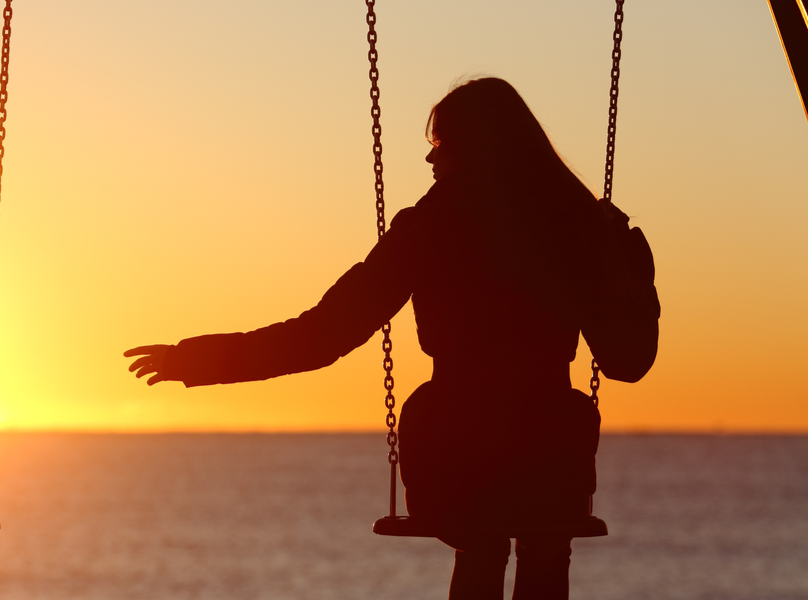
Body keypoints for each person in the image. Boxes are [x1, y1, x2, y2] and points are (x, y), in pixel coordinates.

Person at [124, 77, 658, 600]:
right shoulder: (581, 226)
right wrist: (635, 279)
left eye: (440, 145)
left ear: (472, 147)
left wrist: (199, 360)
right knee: (546, 538)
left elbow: (322, 334)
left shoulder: (428, 227)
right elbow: (627, 362)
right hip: (546, 454)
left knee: (480, 542)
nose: (430, 161)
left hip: (456, 451)